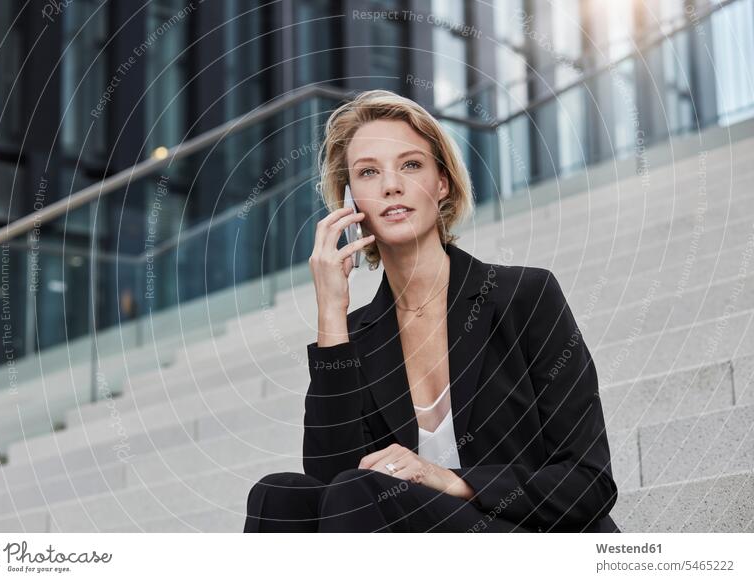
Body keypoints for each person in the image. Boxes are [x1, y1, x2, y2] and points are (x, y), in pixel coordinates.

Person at [244, 89, 619, 533]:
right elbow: (329, 487)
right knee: (280, 494)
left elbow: (589, 481)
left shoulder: (525, 296)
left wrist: (448, 480)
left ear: (442, 183)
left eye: (410, 164)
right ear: (350, 203)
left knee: (360, 490)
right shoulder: (355, 337)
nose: (391, 185)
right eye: (368, 172)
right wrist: (331, 311)